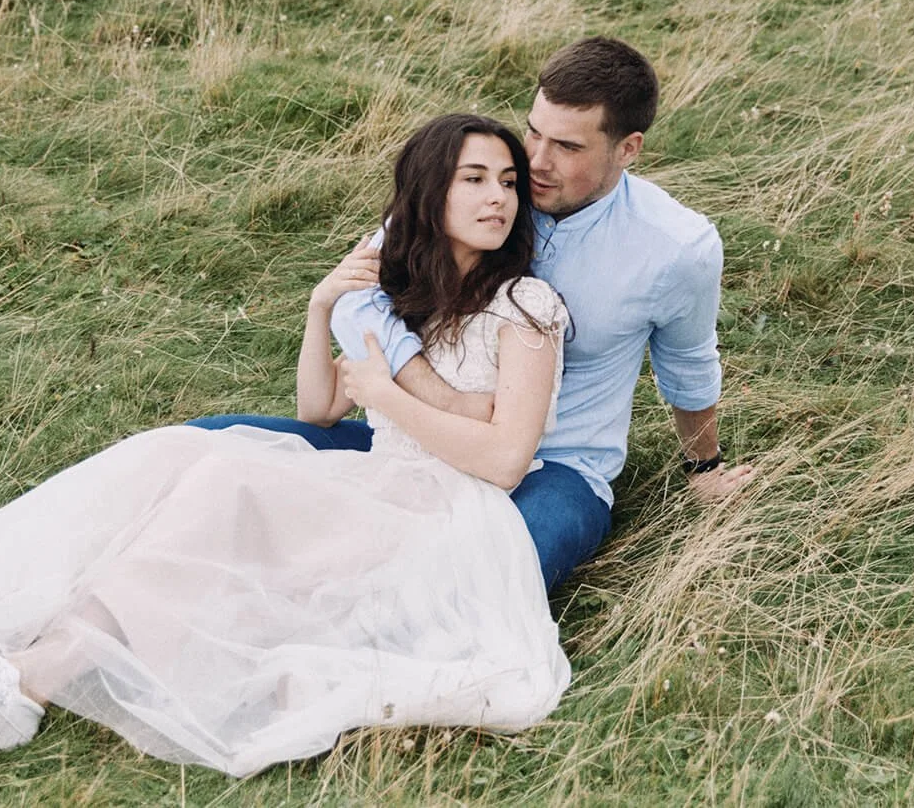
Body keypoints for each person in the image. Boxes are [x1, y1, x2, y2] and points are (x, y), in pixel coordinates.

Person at [0, 116, 572, 776]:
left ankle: (23, 683)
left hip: (443, 510)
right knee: (171, 461)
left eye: (506, 181)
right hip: (373, 478)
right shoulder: (398, 297)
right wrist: (319, 305)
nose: (497, 196)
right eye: (474, 177)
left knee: (222, 485)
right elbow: (320, 407)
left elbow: (504, 459)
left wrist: (391, 394)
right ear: (429, 192)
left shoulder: (526, 305)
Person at [192, 37, 756, 593]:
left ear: (628, 149)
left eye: (567, 146)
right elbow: (364, 290)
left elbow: (687, 364)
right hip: (410, 442)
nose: (535, 161)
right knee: (207, 449)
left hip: (553, 467)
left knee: (476, 579)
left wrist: (702, 468)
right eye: (533, 131)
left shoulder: (676, 249)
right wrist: (426, 387)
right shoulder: (481, 191)